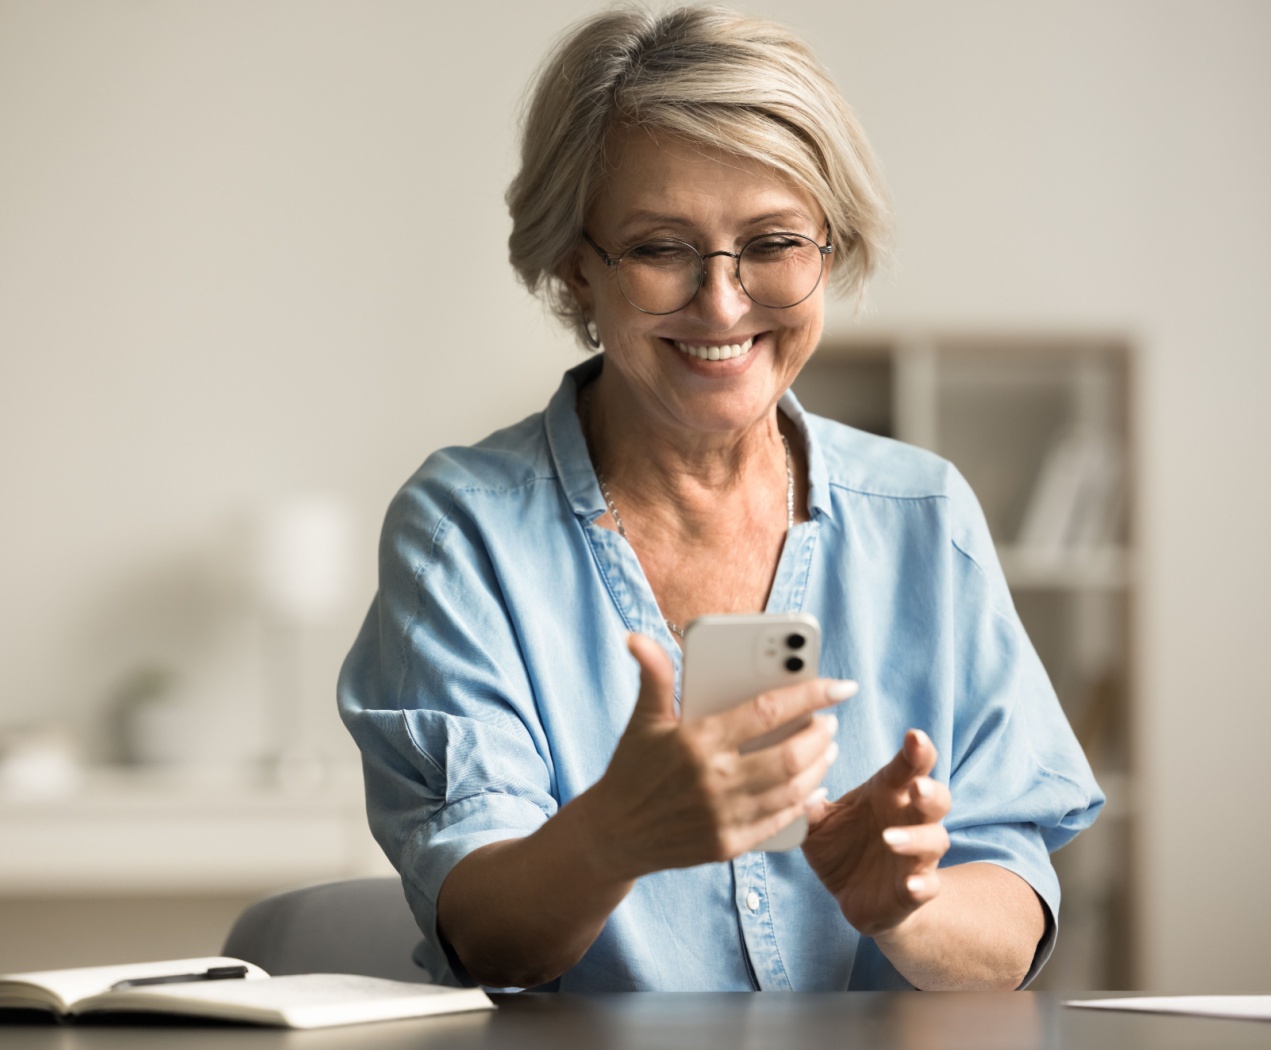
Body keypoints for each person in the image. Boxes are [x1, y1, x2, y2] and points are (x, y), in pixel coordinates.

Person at [338, 5, 1102, 993]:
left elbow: (1009, 919)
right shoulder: (465, 532)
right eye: (661, 249)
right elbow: (485, 934)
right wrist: (613, 837)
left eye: (774, 241)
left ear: (831, 248)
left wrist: (905, 906)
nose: (724, 303)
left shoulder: (924, 516)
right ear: (577, 266)